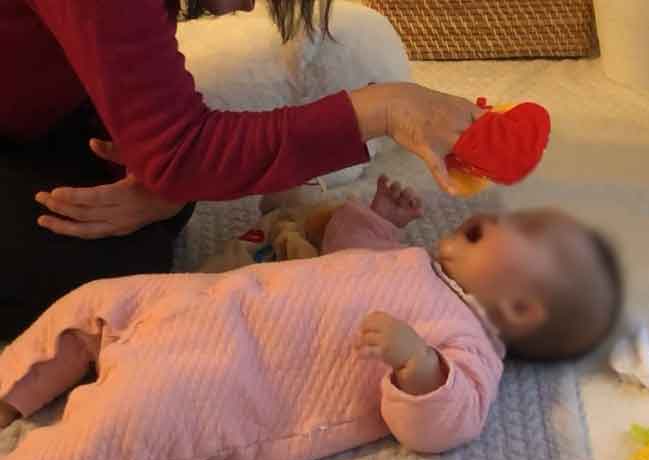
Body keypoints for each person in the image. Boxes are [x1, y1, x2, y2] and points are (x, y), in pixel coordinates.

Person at [0, 176, 623, 460]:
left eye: (528, 230)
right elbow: (345, 251)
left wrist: (418, 365)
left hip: (223, 382)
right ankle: (10, 389)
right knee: (94, 302)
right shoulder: (415, 262)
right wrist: (377, 219)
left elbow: (447, 424)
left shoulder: (470, 347)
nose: (504, 217)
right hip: (206, 303)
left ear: (523, 310)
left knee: (115, 434)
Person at [0, 0, 481, 340]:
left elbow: (169, 137)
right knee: (98, 291)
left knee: (146, 218)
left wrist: (168, 173)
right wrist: (382, 109)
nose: (248, 6)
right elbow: (182, 148)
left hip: (41, 113)